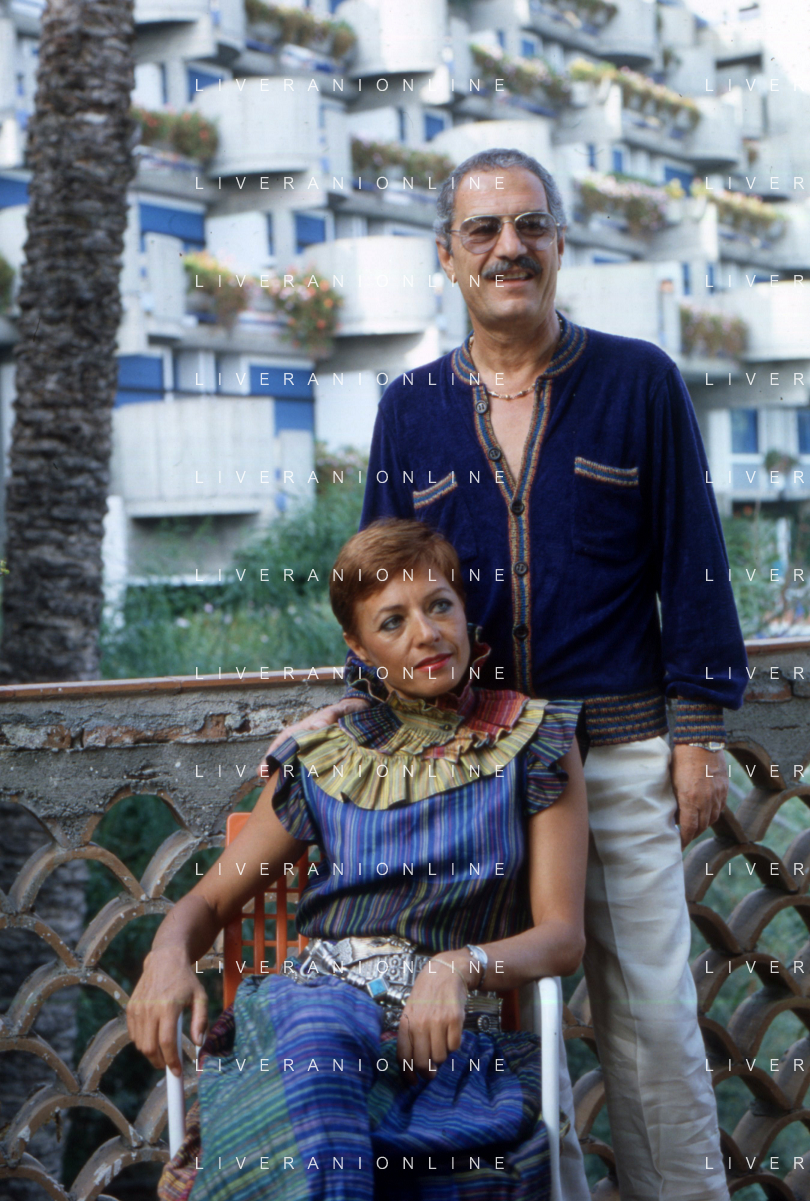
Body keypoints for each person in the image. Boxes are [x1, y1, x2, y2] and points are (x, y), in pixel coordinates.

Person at [285, 148, 748, 1200]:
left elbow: (695, 560)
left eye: (531, 225)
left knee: (652, 1016)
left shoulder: (638, 381)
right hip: (473, 770)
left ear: (560, 245)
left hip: (620, 751)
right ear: (447, 256)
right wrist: (347, 718)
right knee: (509, 1029)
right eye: (483, 230)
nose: (510, 247)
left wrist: (699, 731)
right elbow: (379, 581)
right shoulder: (410, 407)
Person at [127, 518, 589, 1201]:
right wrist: (166, 955)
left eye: (439, 605)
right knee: (320, 1037)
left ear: (465, 611)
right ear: (359, 647)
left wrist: (457, 966)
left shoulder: (536, 740)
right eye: (392, 621)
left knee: (417, 1165)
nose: (426, 633)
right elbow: (211, 900)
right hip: (312, 1013)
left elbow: (563, 936)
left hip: (442, 1037)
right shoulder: (328, 753)